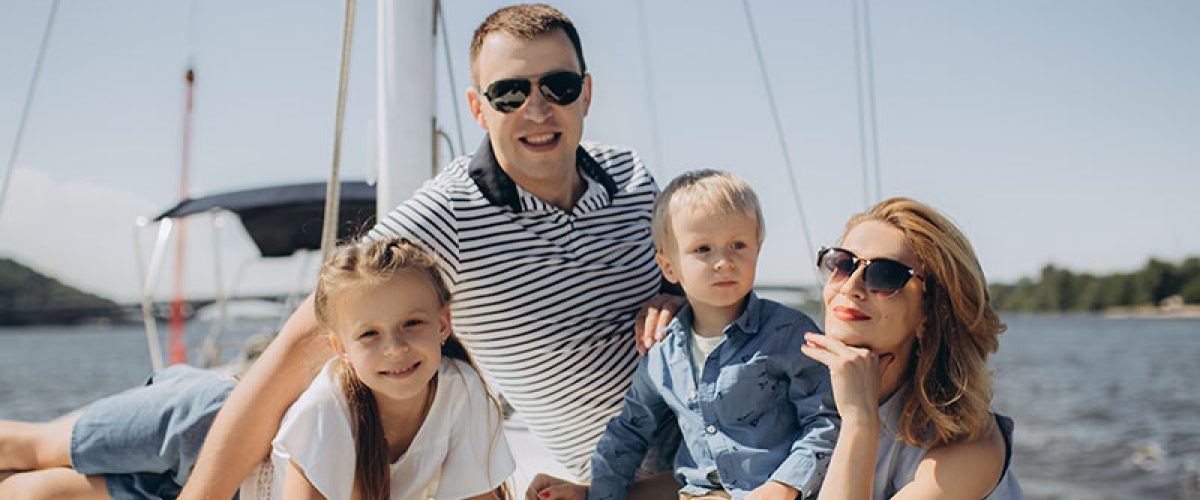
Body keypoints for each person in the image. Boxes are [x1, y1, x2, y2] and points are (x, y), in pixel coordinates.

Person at [182, 4, 682, 498]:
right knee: (144, 442)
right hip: (638, 481)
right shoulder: (449, 217)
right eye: (509, 92)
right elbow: (299, 347)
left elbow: (694, 292)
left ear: (586, 94)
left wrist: (677, 301)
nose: (537, 108)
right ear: (477, 108)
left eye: (560, 87)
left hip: (724, 434)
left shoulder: (634, 179)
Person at [0, 238, 514, 500]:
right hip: (200, 424)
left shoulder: (464, 396)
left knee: (39, 492)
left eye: (412, 324)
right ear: (338, 346)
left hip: (231, 490)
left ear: (444, 325)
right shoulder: (328, 409)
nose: (395, 349)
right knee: (31, 448)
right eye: (369, 334)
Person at [530, 170, 839, 500]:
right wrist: (600, 496)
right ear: (669, 268)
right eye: (703, 249)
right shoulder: (664, 352)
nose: (723, 261)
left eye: (738, 245)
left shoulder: (789, 333)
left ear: (757, 250)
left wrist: (784, 485)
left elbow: (827, 419)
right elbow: (628, 432)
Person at [799, 197, 1023, 499]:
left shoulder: (970, 446)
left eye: (885, 275)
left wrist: (859, 421)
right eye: (842, 264)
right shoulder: (798, 399)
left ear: (930, 312)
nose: (851, 286)